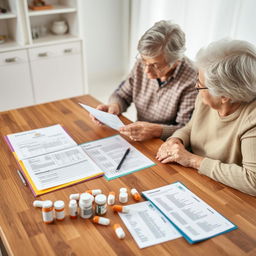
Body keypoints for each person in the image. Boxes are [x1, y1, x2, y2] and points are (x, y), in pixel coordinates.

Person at [156, 39, 256, 196]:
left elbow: (252, 181)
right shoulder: (205, 99)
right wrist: (176, 140)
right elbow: (191, 127)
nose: (196, 86)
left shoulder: (252, 119)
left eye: (200, 83)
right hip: (194, 178)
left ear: (224, 96)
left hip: (225, 193)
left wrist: (192, 160)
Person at [90, 20, 197, 141]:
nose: (146, 70)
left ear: (176, 61)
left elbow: (186, 129)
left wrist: (155, 130)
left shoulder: (193, 80)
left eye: (155, 66)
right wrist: (114, 106)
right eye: (143, 60)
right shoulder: (144, 62)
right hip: (140, 136)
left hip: (168, 143)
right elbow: (122, 94)